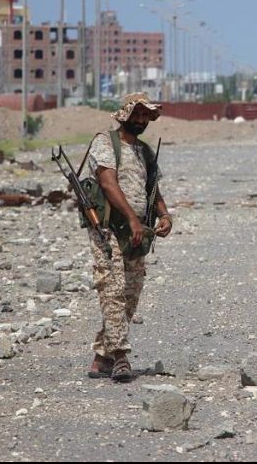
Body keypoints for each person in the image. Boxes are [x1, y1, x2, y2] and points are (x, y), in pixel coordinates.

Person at [84, 92, 173, 382]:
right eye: (136, 114)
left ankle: (101, 358)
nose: (141, 120)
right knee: (112, 290)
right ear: (124, 114)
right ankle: (121, 356)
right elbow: (108, 184)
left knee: (130, 295)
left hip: (138, 233)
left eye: (145, 116)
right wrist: (132, 220)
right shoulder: (105, 143)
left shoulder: (145, 152)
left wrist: (164, 215)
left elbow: (152, 190)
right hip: (109, 229)